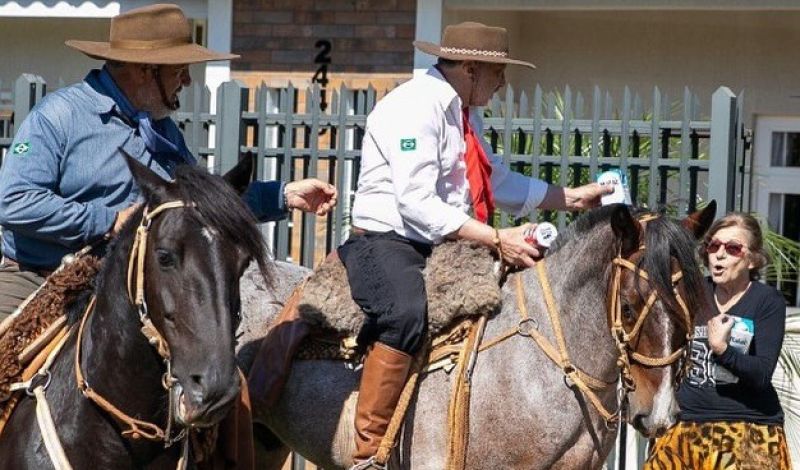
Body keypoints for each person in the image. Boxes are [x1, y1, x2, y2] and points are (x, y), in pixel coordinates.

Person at [340, 22, 608, 469]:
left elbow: (493, 180)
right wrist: (496, 238)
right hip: (387, 241)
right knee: (405, 313)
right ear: (469, 68)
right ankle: (369, 452)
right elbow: (417, 204)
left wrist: (571, 197)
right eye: (497, 73)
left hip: (444, 242)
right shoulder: (413, 107)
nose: (502, 84)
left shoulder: (463, 112)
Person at [0, 4, 337, 321]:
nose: (187, 81)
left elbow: (198, 204)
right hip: (35, 278)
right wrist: (108, 221)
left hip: (123, 290)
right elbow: (15, 203)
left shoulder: (162, 130)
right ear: (146, 71)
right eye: (180, 71)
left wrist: (282, 195)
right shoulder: (58, 116)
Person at [645, 213, 791, 469]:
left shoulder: (767, 301)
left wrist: (722, 350)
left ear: (753, 260)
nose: (720, 254)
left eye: (733, 248)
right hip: (685, 426)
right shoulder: (692, 294)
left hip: (747, 428)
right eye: (714, 246)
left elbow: (761, 374)